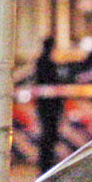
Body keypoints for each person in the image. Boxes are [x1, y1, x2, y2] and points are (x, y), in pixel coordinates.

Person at [33, 36, 63, 172]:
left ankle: (46, 163)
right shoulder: (47, 63)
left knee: (48, 135)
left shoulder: (43, 62)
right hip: (49, 106)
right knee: (48, 135)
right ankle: (46, 164)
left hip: (46, 105)